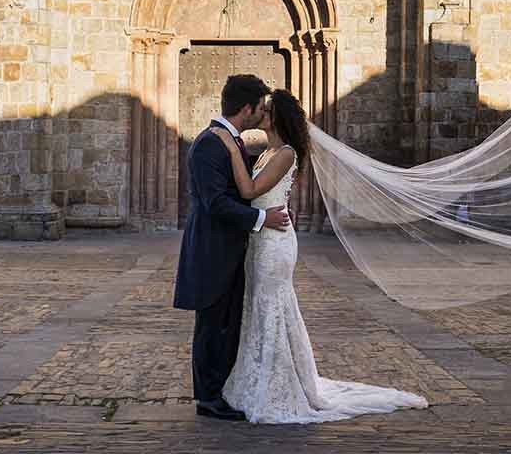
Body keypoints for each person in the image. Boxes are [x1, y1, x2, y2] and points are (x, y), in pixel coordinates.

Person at [215, 88, 428, 424]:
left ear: (276, 118)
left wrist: (229, 147)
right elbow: (268, 193)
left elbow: (249, 191)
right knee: (260, 307)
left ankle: (276, 388)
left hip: (274, 244)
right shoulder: (267, 152)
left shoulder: (284, 152)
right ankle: (258, 379)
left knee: (272, 306)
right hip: (261, 238)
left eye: (265, 111)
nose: (259, 115)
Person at [172, 74, 291, 421]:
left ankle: (218, 391)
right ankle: (208, 399)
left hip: (228, 250)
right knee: (212, 325)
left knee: (224, 324)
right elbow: (215, 203)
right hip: (212, 251)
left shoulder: (229, 140)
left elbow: (245, 188)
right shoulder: (212, 142)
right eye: (259, 108)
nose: (262, 113)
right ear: (246, 108)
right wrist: (260, 219)